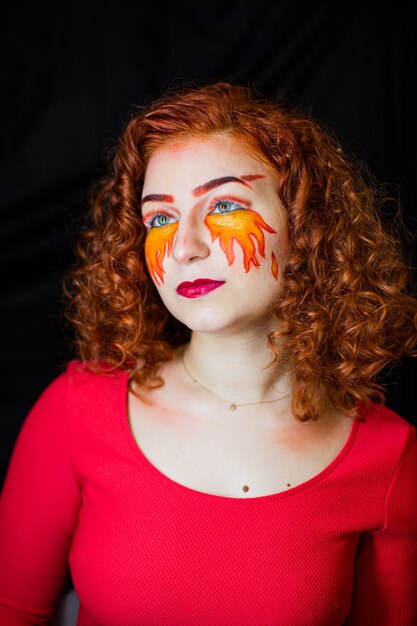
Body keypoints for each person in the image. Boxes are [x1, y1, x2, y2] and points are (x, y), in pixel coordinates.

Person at [0, 82, 416, 625]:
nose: (185, 245)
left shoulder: (389, 458)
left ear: (306, 224)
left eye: (223, 205)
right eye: (160, 218)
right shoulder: (76, 410)